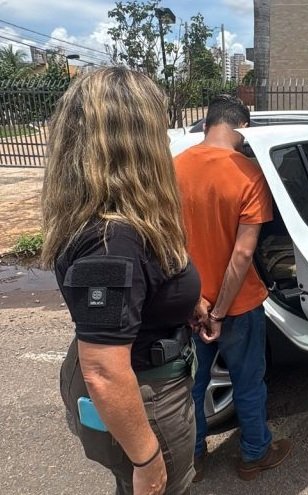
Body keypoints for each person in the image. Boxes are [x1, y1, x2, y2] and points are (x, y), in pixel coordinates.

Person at [41, 67, 201, 495]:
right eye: (158, 128)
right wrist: (147, 460)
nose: (167, 141)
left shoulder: (118, 225)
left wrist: (187, 303)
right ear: (136, 143)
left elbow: (145, 286)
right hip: (145, 395)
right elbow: (104, 373)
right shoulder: (111, 242)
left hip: (142, 382)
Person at [174, 95, 292, 482]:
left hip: (188, 304)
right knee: (248, 383)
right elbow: (242, 254)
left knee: (191, 385)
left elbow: (167, 242)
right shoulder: (249, 174)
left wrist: (197, 300)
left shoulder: (174, 168)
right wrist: (220, 312)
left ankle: (193, 458)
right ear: (242, 127)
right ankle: (254, 455)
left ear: (208, 125)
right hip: (238, 306)